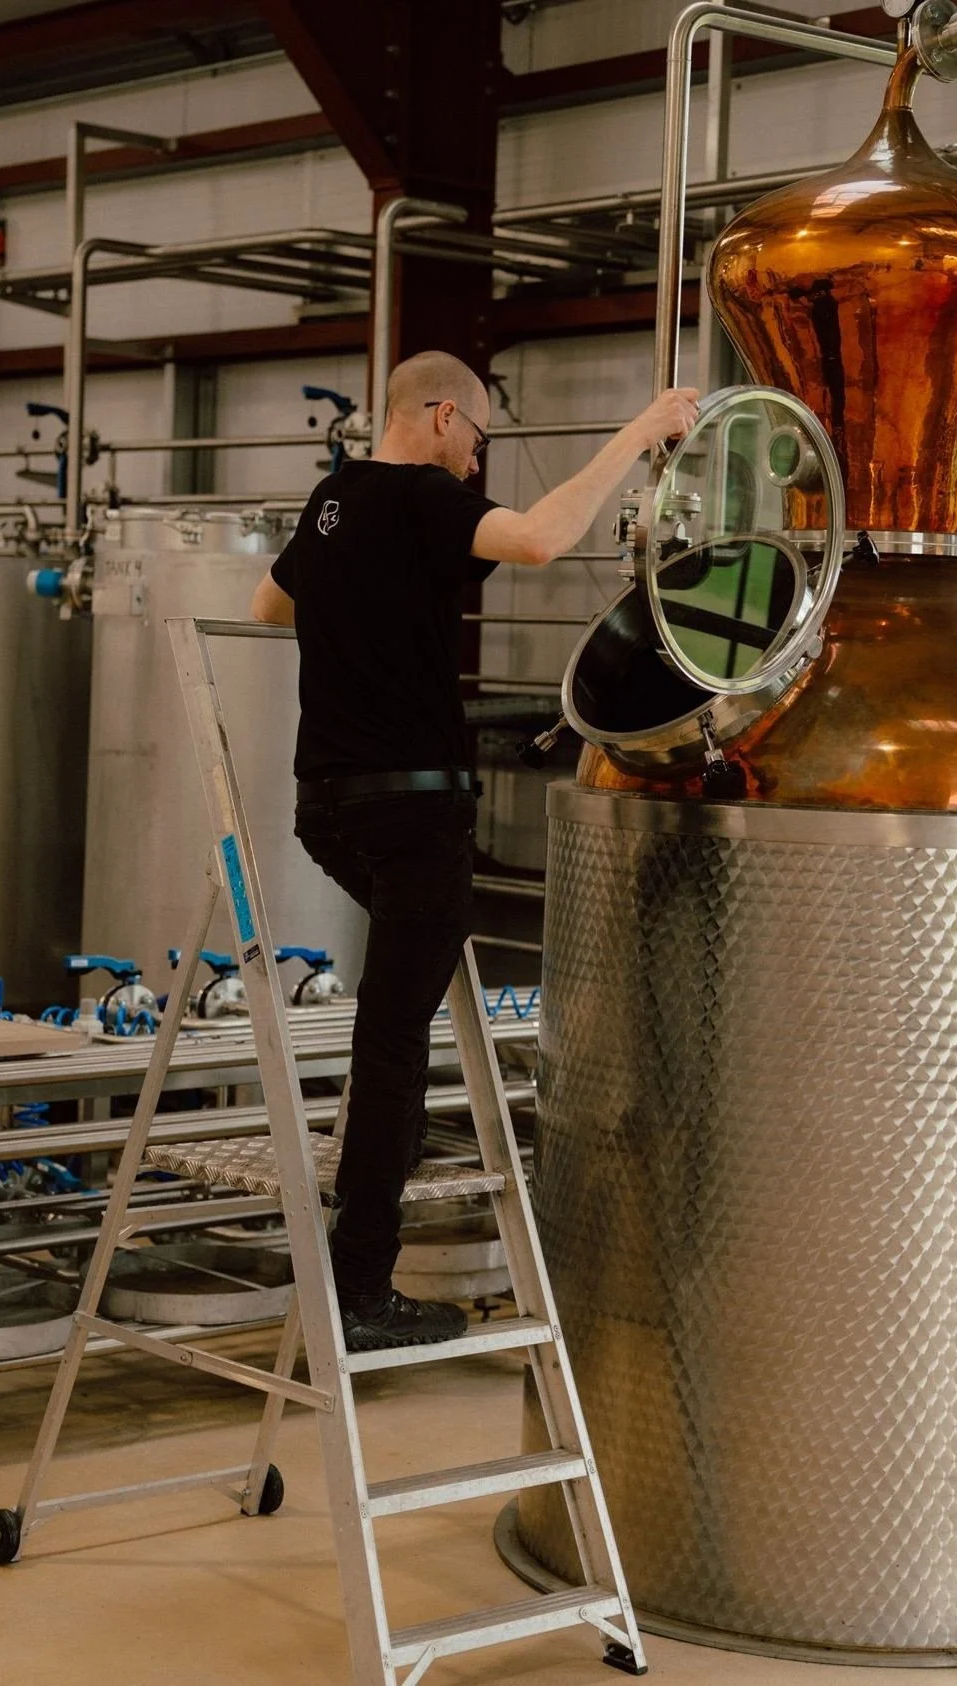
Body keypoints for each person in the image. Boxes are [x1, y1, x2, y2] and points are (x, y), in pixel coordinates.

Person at [252, 349, 698, 1352]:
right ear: (441, 416)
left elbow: (265, 609)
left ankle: (357, 1261)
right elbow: (540, 539)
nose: (475, 464)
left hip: (326, 808)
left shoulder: (332, 502)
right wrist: (635, 434)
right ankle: (360, 1284)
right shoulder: (418, 497)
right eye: (479, 442)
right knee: (393, 1041)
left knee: (395, 1013)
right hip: (412, 815)